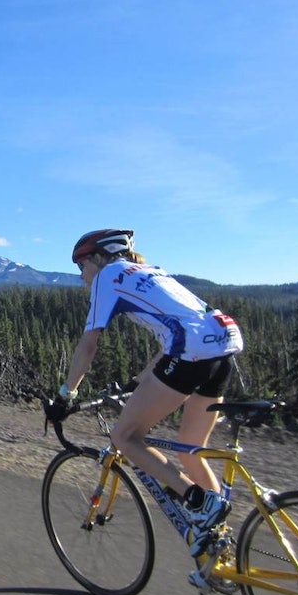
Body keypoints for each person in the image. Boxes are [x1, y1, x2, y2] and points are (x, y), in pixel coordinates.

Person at [57, 229, 244, 559]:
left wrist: (65, 395)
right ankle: (217, 537)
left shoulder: (108, 276)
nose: (82, 276)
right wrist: (138, 382)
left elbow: (88, 345)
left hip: (193, 352)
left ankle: (198, 502)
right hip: (222, 345)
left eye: (81, 266)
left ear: (98, 258)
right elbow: (175, 336)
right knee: (191, 447)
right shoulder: (148, 271)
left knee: (124, 436)